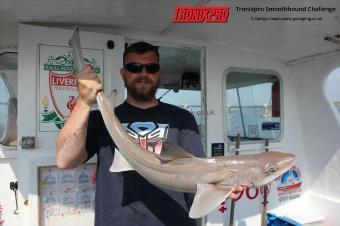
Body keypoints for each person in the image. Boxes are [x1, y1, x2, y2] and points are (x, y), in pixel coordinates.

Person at [56, 41, 242, 226]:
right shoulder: (102, 119)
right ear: (123, 73)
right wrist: (84, 101)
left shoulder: (182, 119)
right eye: (134, 67)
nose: (143, 73)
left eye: (150, 68)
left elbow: (197, 172)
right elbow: (65, 160)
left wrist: (219, 185)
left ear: (158, 72)